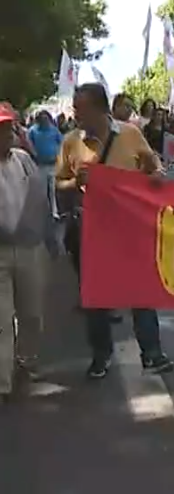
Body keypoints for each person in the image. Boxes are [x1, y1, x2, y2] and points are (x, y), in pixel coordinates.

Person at [55, 83, 174, 379]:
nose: (75, 113)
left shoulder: (131, 134)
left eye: (80, 108)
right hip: (91, 228)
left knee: (140, 290)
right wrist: (77, 182)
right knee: (96, 297)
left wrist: (157, 174)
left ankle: (152, 352)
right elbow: (59, 183)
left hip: (130, 226)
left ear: (99, 109)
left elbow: (152, 165)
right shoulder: (71, 142)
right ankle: (100, 354)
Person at [0, 103, 52, 402]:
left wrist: (50, 238)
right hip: (1, 253)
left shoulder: (24, 161)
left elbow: (43, 198)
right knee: (2, 319)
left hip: (30, 248)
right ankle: (3, 382)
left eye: (9, 128)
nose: (5, 134)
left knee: (31, 315)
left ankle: (25, 362)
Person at [27, 110, 63, 219]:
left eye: (46, 118)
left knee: (52, 190)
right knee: (42, 191)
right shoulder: (33, 131)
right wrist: (34, 154)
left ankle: (54, 212)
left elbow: (62, 143)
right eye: (42, 118)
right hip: (40, 165)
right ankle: (43, 213)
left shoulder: (54, 130)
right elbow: (29, 144)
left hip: (53, 164)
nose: (44, 120)